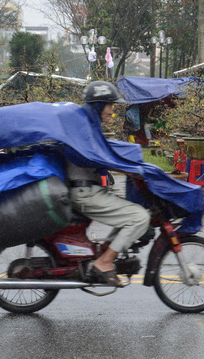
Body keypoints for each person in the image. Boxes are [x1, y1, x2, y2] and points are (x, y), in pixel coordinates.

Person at [66, 81, 151, 287]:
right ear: (98, 105)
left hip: (88, 190)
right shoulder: (84, 128)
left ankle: (107, 252)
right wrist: (130, 170)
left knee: (130, 214)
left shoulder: (86, 125)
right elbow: (98, 158)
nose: (112, 111)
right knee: (139, 217)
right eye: (109, 106)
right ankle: (104, 262)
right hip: (85, 192)